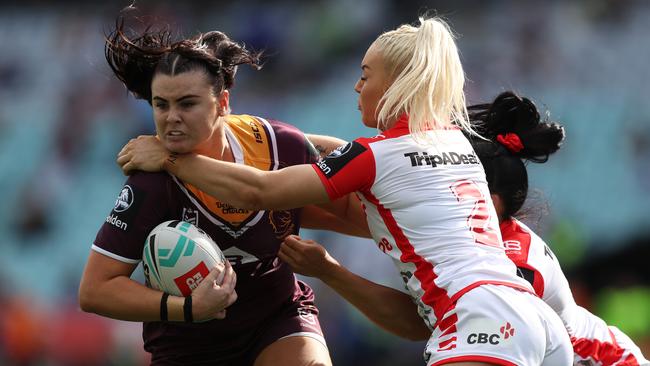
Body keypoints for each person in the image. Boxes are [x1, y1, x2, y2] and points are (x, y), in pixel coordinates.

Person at [117, 17, 573, 365]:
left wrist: (172, 158)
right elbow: (340, 154)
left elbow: (259, 190)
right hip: (532, 320)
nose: (356, 86)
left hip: (478, 319)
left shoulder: (379, 156)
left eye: (365, 74)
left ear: (396, 85)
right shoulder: (455, 144)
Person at [278, 91, 650, 366]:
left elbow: (418, 325)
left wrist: (330, 271)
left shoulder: (510, 265)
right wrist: (276, 143)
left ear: (489, 198)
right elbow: (360, 169)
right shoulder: (461, 237)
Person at [78, 14, 365, 366]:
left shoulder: (280, 148)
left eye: (187, 103)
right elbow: (94, 290)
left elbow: (355, 207)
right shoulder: (149, 184)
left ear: (224, 103)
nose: (171, 118)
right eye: (160, 104)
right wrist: (185, 308)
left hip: (277, 321)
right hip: (187, 344)